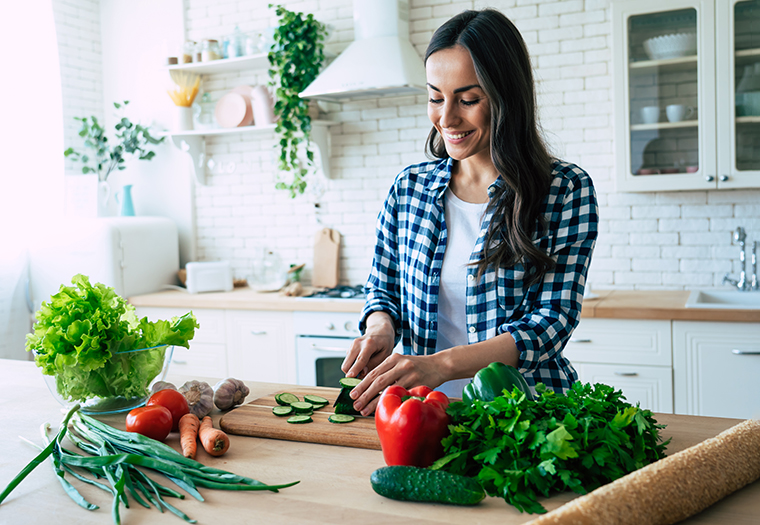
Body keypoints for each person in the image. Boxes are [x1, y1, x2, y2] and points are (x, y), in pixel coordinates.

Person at [341, 8, 598, 416]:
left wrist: (440, 366)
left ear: (505, 96)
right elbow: (382, 289)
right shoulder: (409, 188)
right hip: (423, 414)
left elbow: (551, 322)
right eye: (435, 98)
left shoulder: (563, 190)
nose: (446, 118)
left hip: (527, 415)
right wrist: (380, 328)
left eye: (468, 99)